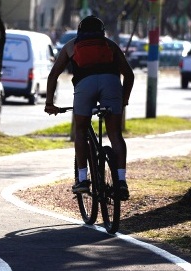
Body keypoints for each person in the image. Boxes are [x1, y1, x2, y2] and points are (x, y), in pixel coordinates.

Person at [44, 15, 134, 200]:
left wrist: (49, 103)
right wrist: (123, 99)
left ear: (79, 31)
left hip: (85, 86)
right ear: (102, 32)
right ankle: (122, 181)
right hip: (111, 84)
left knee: (81, 131)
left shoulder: (71, 45)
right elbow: (129, 75)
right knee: (116, 135)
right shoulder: (110, 45)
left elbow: (53, 75)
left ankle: (83, 180)